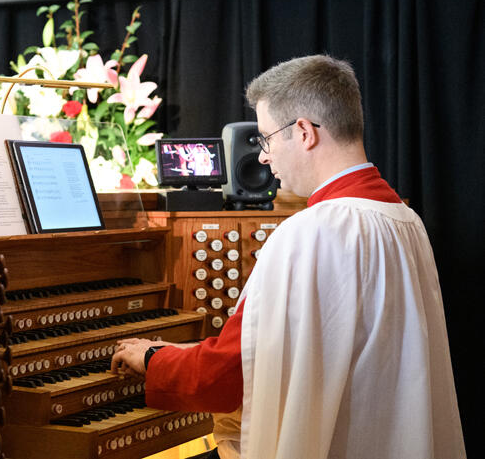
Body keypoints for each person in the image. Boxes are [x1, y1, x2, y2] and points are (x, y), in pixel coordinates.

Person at [111, 55, 466, 459]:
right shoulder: (406, 220)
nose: (262, 156)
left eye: (265, 138)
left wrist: (154, 356)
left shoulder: (310, 232)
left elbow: (230, 375)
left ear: (303, 132)